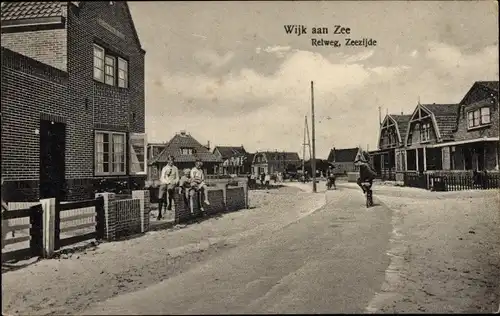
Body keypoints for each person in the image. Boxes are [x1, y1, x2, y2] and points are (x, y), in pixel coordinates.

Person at [158, 155, 179, 220]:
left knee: (170, 189)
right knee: (160, 195)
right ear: (168, 161)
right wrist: (166, 182)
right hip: (165, 182)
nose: (171, 162)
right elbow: (162, 178)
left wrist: (175, 182)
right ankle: (159, 213)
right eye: (170, 160)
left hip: (172, 182)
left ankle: (169, 204)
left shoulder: (175, 168)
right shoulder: (164, 168)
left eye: (172, 160)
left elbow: (177, 177)